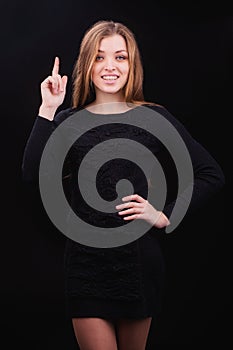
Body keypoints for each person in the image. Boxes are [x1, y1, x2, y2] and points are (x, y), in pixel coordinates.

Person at [22, 20, 225, 350]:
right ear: (87, 64)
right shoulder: (68, 121)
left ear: (133, 65)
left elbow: (210, 173)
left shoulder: (154, 117)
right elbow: (32, 176)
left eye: (120, 57)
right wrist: (47, 109)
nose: (110, 67)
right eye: (100, 57)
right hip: (85, 266)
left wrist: (165, 215)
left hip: (138, 264)